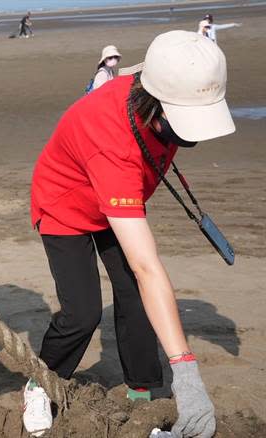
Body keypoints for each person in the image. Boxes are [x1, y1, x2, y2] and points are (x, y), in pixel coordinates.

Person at [26, 31, 233, 438]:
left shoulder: (158, 91)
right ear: (154, 104)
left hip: (116, 200)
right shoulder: (112, 141)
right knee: (82, 313)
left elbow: (142, 274)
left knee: (136, 296)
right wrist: (187, 372)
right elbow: (147, 264)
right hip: (65, 206)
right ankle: (39, 384)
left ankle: (140, 390)